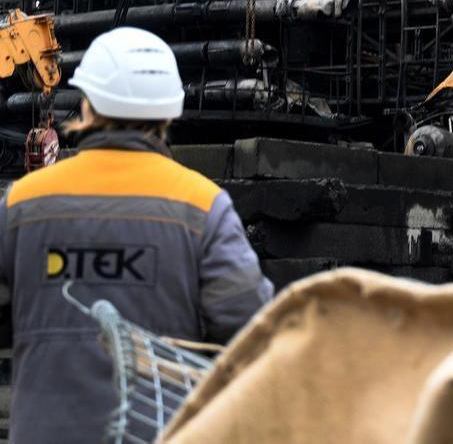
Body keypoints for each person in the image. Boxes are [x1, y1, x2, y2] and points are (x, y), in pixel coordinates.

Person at [0, 27, 273, 443]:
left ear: (88, 105)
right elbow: (254, 337)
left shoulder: (23, 203)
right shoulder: (202, 206)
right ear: (168, 113)